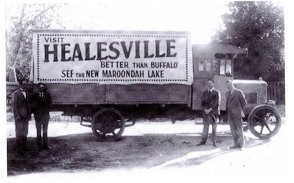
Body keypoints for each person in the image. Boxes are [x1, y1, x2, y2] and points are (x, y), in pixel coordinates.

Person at [197, 78, 220, 147]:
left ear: (213, 84)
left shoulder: (217, 92)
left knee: (214, 127)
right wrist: (205, 110)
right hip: (206, 112)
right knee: (205, 127)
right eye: (208, 83)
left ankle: (214, 142)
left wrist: (209, 110)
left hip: (213, 112)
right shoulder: (205, 93)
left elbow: (217, 103)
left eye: (210, 83)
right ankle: (203, 141)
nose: (209, 84)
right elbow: (202, 103)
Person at [225, 80, 247, 150]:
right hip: (230, 115)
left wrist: (239, 110)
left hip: (237, 114)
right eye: (227, 85)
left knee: (239, 129)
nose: (229, 86)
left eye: (230, 85)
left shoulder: (238, 92)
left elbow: (244, 103)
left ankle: (242, 145)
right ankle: (236, 144)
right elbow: (227, 104)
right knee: (233, 130)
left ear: (232, 84)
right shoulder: (227, 93)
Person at [12, 79, 31, 156]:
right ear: (19, 85)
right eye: (23, 84)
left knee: (25, 132)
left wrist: (29, 114)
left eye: (26, 84)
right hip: (19, 116)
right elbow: (14, 106)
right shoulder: (16, 93)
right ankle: (19, 149)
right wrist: (17, 115)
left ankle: (24, 147)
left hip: (26, 116)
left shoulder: (27, 93)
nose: (25, 85)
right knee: (19, 132)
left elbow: (28, 105)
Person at [32, 83, 52, 150]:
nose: (41, 88)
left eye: (42, 87)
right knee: (38, 131)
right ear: (38, 88)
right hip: (38, 116)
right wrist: (36, 113)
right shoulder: (34, 96)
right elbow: (33, 106)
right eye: (40, 87)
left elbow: (50, 105)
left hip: (45, 116)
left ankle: (45, 145)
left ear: (44, 88)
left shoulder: (47, 95)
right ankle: (39, 146)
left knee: (45, 131)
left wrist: (45, 110)